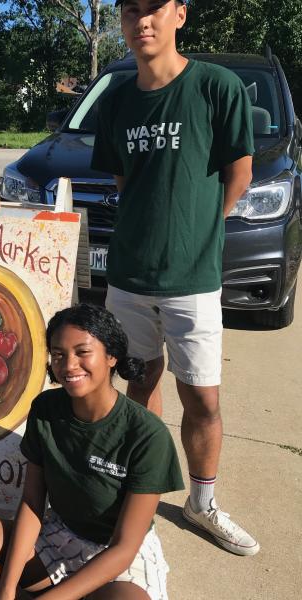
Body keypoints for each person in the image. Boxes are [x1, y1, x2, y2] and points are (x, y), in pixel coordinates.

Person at [91, 0, 258, 555]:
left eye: (154, 8)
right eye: (131, 10)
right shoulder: (116, 101)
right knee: (138, 385)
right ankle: (139, 493)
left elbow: (240, 173)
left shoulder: (216, 87)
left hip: (193, 281)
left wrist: (196, 233)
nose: (143, 20)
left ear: (179, 15)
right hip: (129, 279)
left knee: (203, 400)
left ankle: (201, 503)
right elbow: (123, 181)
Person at [0, 304, 184, 600]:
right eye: (58, 354)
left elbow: (124, 548)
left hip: (116, 558)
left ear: (111, 356)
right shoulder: (46, 409)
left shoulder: (146, 434)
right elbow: (32, 502)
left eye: (82, 352)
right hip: (57, 536)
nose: (69, 365)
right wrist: (6, 586)